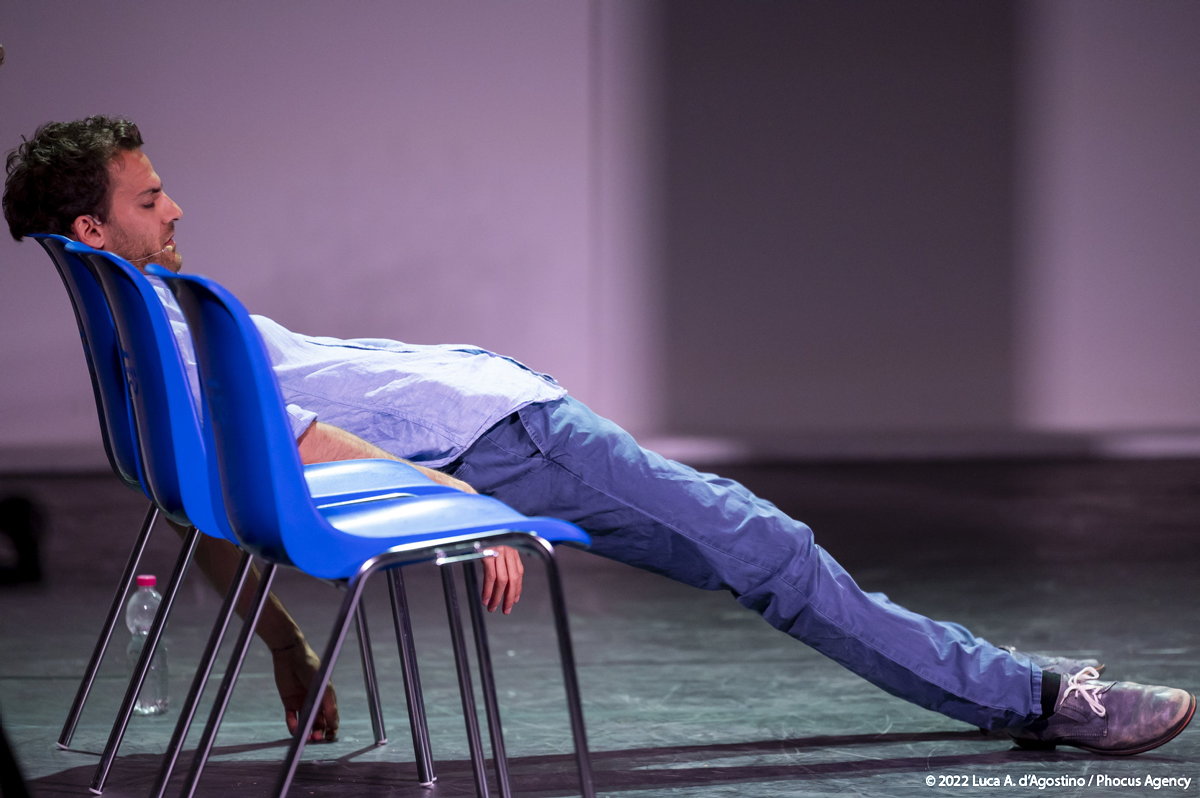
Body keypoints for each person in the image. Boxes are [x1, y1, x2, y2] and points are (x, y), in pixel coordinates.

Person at [4, 116, 1195, 756]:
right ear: (91, 229)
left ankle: (1024, 694)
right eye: (149, 198)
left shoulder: (140, 331)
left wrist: (285, 647)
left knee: (762, 555)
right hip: (515, 447)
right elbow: (293, 454)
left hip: (505, 423)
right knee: (771, 551)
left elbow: (195, 499)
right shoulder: (176, 330)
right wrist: (476, 514)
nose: (176, 207)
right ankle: (1041, 698)